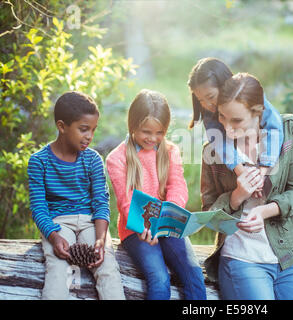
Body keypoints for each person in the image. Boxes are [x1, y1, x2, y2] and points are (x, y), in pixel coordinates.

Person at [201, 73, 293, 300]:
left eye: (237, 121)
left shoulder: (288, 130)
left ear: (258, 112)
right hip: (242, 258)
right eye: (222, 117)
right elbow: (208, 214)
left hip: (288, 257)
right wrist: (236, 196)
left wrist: (265, 211)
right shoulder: (213, 150)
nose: (227, 128)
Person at [106, 89, 206, 300]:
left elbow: (177, 186)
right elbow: (126, 201)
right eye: (146, 132)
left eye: (159, 133)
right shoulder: (117, 158)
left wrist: (169, 214)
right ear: (132, 126)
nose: (153, 138)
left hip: (167, 224)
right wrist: (145, 226)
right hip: (137, 230)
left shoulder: (170, 151)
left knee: (194, 273)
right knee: (159, 278)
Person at [27, 91, 125, 300]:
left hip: (91, 223)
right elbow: (38, 207)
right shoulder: (39, 161)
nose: (89, 136)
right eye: (83, 129)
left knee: (107, 267)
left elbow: (100, 202)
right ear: (62, 126)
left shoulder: (93, 160)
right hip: (58, 223)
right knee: (58, 270)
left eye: (93, 130)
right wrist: (54, 237)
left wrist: (100, 240)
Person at [187, 57, 284, 197]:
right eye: (201, 100)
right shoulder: (209, 114)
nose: (207, 105)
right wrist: (241, 171)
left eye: (211, 96)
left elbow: (273, 127)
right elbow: (220, 143)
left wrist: (262, 172)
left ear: (224, 85)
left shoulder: (250, 95)